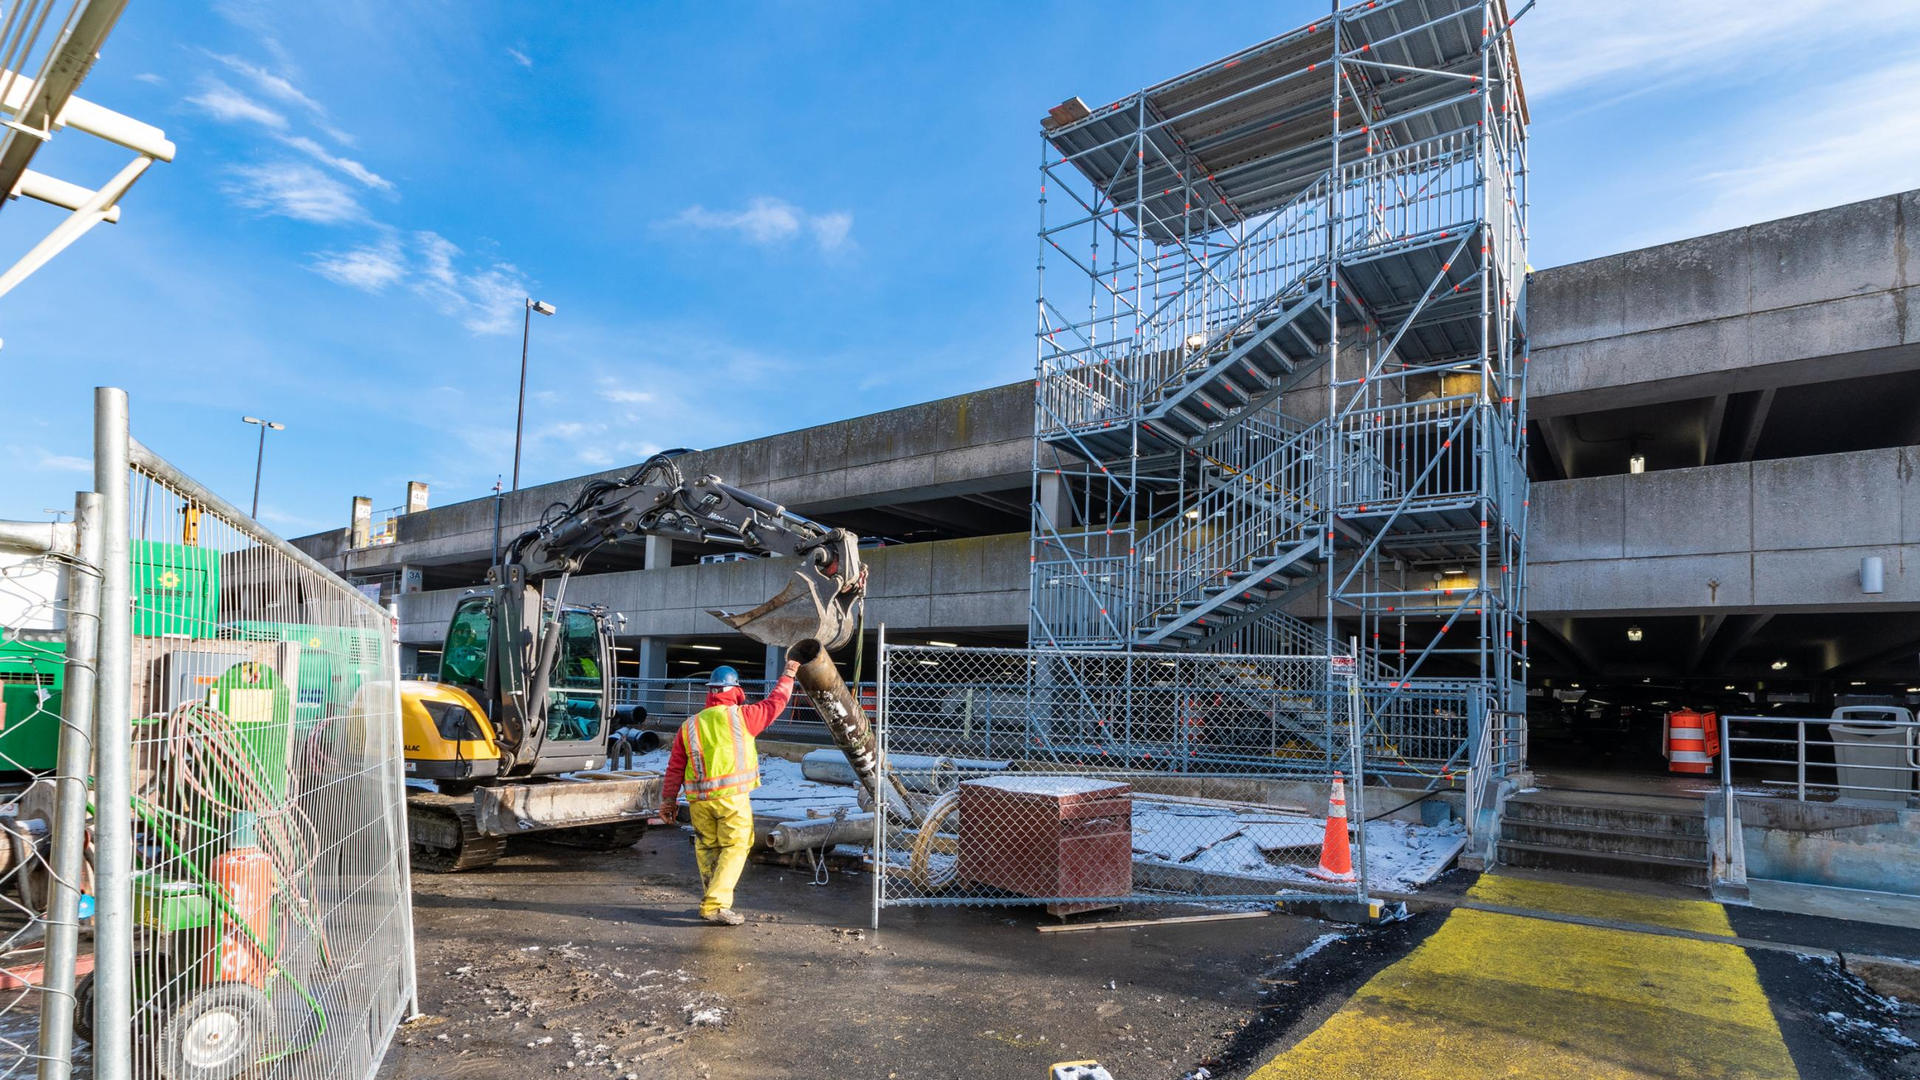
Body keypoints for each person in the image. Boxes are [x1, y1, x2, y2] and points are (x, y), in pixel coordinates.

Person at [651, 657, 800, 925]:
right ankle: (715, 905)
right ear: (736, 691)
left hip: (698, 802)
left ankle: (711, 896)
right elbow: (776, 703)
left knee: (708, 847)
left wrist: (668, 802)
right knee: (736, 845)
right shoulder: (743, 717)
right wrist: (788, 674)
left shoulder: (690, 725)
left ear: (710, 692)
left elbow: (674, 767)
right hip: (731, 799)